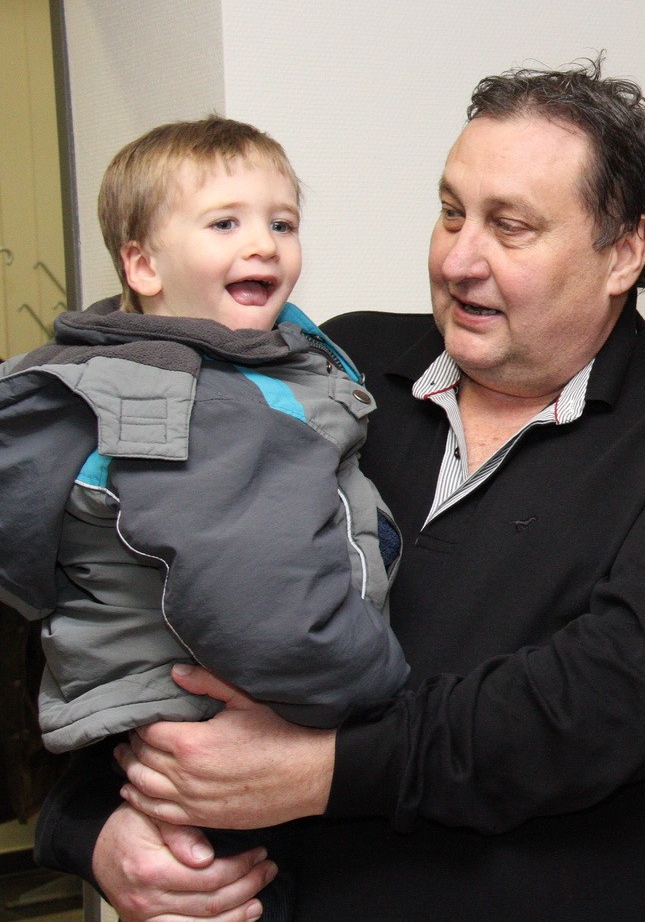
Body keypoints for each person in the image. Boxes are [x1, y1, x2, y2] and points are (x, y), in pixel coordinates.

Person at [39, 62, 645, 921]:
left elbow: (627, 694)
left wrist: (329, 770)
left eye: (510, 227)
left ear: (624, 251)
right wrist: (95, 829)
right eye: (451, 213)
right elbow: (125, 590)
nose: (458, 259)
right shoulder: (337, 366)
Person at [1, 116, 409, 921]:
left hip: (173, 729)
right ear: (143, 266)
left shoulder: (229, 364)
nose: (263, 245)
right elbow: (257, 598)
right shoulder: (186, 404)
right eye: (225, 224)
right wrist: (377, 694)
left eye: (282, 223)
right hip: (212, 733)